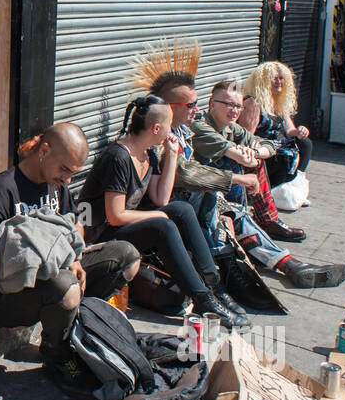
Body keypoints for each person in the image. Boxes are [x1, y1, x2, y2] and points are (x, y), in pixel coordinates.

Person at [0, 123, 140, 396]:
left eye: (73, 174)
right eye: (65, 170)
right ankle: (57, 356)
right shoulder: (2, 189)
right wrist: (22, 260)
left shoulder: (57, 185)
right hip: (7, 296)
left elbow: (74, 222)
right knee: (65, 287)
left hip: (54, 276)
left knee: (127, 257)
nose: (68, 179)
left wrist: (75, 258)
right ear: (44, 151)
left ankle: (78, 328)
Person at [146, 71, 345, 289]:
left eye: (238, 106)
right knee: (224, 211)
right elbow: (185, 173)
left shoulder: (184, 130)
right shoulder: (183, 130)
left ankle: (291, 265)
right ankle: (231, 269)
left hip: (201, 194)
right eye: (190, 104)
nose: (235, 111)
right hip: (184, 202)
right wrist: (239, 177)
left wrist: (254, 154)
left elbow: (263, 144)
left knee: (236, 215)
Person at [77, 95, 249, 328]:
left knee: (182, 209)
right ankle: (203, 300)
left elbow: (161, 197)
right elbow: (115, 216)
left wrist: (173, 154)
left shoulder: (148, 152)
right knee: (163, 225)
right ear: (156, 128)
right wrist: (157, 215)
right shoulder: (118, 157)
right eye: (168, 125)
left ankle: (214, 286)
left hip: (122, 225)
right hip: (100, 237)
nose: (172, 130)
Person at [242, 61, 311, 189]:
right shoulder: (253, 103)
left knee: (305, 144)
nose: (279, 82)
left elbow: (290, 130)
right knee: (284, 157)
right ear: (263, 81)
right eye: (274, 78)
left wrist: (300, 131)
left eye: (281, 78)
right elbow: (246, 135)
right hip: (264, 146)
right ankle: (276, 189)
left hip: (280, 144)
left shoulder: (279, 103)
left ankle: (295, 184)